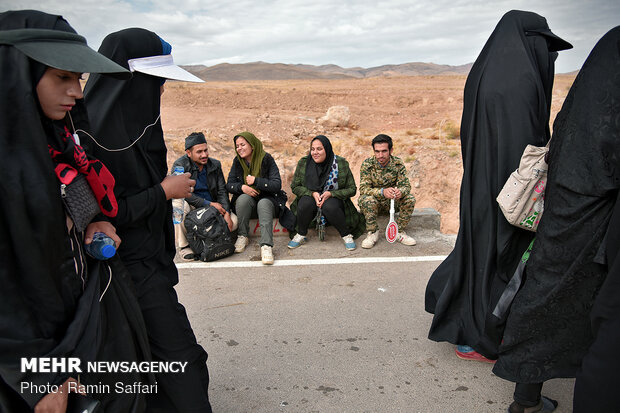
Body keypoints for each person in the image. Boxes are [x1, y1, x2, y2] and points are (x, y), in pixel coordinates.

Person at [0, 10, 152, 413]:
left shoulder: (58, 144)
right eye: (62, 77)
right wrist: (36, 376)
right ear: (17, 74)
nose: (78, 93)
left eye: (79, 79)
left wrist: (94, 220)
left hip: (81, 327)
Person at [424, 10, 572, 362]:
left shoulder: (485, 73)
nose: (548, 57)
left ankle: (461, 323)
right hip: (509, 191)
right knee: (498, 257)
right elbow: (524, 149)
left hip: (480, 183)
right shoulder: (519, 83)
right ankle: (479, 334)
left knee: (477, 251)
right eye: (544, 46)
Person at [83, 28, 212, 412]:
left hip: (149, 260)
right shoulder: (99, 134)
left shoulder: (133, 122)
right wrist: (164, 192)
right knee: (181, 358)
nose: (161, 91)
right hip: (129, 266)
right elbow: (107, 211)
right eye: (157, 82)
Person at [492, 26, 619, 413]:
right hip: (596, 206)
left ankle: (525, 398)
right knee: (597, 306)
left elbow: (565, 127)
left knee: (544, 292)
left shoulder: (605, 58)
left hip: (563, 195)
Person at [226, 131, 295, 265]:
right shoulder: (238, 161)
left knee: (263, 203)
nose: (239, 148)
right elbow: (229, 184)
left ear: (252, 145)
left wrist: (256, 181)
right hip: (250, 205)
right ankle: (243, 236)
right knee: (242, 199)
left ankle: (266, 246)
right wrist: (242, 188)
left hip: (269, 203)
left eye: (242, 145)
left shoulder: (266, 159)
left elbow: (276, 184)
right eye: (237, 146)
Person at [288, 135, 365, 250]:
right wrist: (312, 193)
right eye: (312, 149)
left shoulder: (340, 163)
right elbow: (295, 186)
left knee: (329, 205)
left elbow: (352, 189)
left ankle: (346, 234)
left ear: (327, 149)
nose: (315, 152)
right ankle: (301, 234)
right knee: (305, 202)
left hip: (335, 204)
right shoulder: (304, 163)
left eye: (319, 149)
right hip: (311, 202)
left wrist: (331, 194)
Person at [172, 131, 237, 258]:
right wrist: (209, 203)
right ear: (188, 153)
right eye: (199, 152)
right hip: (194, 206)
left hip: (212, 209)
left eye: (206, 150)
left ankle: (210, 240)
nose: (204, 155)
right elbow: (182, 193)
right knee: (178, 203)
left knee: (234, 222)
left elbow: (222, 191)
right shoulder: (180, 165)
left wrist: (227, 212)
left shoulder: (215, 164)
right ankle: (184, 246)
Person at [358, 133, 417, 248]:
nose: (380, 155)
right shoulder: (367, 164)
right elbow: (363, 189)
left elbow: (406, 186)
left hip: (393, 203)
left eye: (384, 151)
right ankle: (372, 232)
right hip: (375, 203)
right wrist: (382, 192)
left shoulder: (398, 163)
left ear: (391, 150)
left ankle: (399, 232)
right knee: (366, 199)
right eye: (377, 151)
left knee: (410, 198)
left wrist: (400, 192)